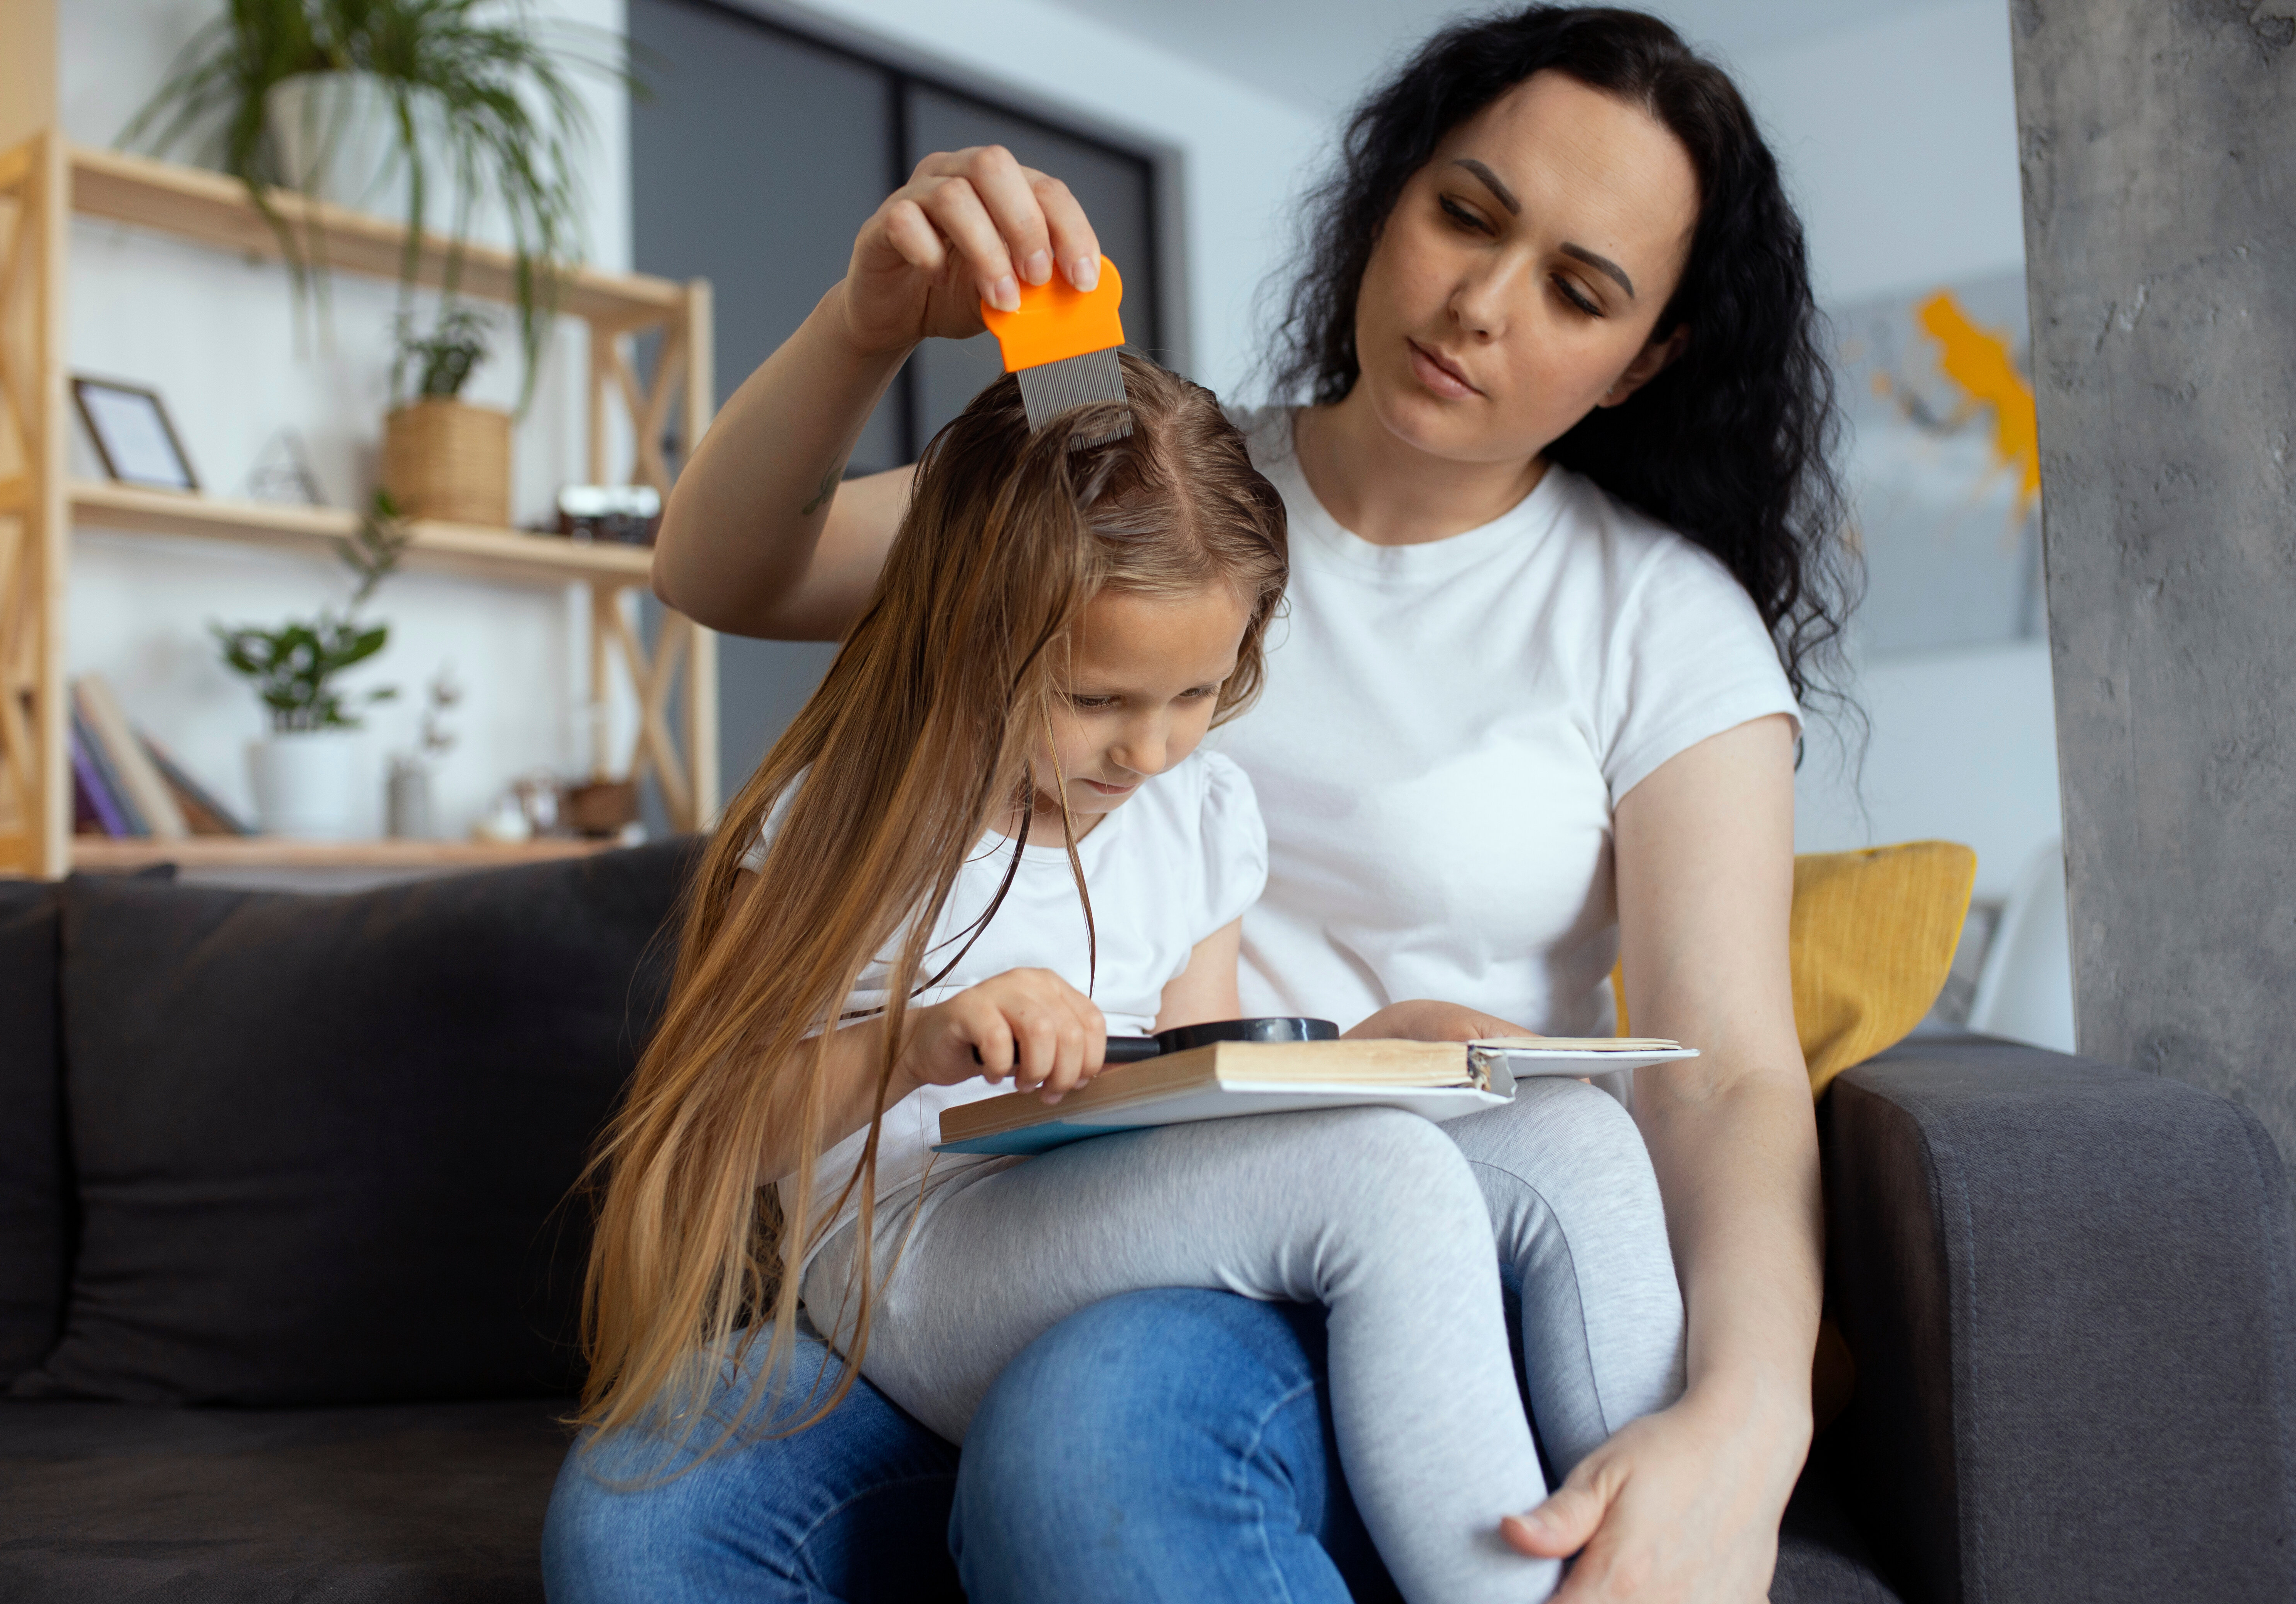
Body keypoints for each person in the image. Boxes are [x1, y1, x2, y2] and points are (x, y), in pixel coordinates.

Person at [546, 6, 1847, 1600]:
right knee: (660, 1504)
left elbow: (1721, 1080)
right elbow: (720, 568)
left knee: (1148, 1387)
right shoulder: (1132, 480)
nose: (1479, 305)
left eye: (1579, 290)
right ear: (1389, 192)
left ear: (1644, 359)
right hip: (1054, 1188)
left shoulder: (1657, 615)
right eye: (1465, 213)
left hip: (1357, 1244)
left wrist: (1743, 1422)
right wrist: (868, 321)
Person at [561, 352, 1685, 1604]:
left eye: (1197, 693)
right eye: (1095, 698)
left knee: (1572, 1132)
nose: (1149, 748)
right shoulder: (851, 820)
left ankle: (1671, 1529)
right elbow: (721, 1130)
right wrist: (922, 1040)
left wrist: (1371, 1048)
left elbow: (1203, 1089)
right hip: (922, 1256)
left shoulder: (1192, 812)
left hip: (1099, 1207)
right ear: (967, 631)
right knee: (1390, 1177)